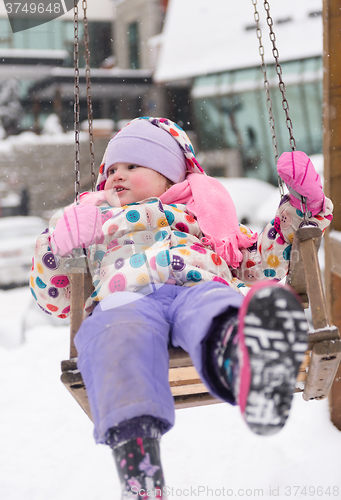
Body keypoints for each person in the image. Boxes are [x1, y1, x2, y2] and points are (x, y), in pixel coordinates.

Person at [30, 117, 333, 499]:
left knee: (219, 307)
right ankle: (140, 474)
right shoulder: (95, 222)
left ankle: (251, 370)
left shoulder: (207, 219)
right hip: (126, 298)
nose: (115, 177)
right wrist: (57, 245)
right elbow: (53, 300)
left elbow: (264, 262)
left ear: (171, 177)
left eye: (132, 166)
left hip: (200, 285)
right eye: (110, 170)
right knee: (115, 337)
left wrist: (302, 205)